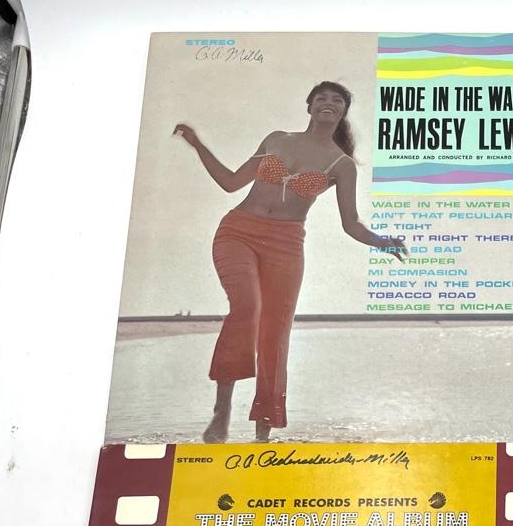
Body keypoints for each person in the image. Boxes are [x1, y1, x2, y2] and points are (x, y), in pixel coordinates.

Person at [174, 81, 407, 444]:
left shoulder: (342, 165)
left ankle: (262, 432)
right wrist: (197, 144)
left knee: (275, 334)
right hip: (239, 232)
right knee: (247, 307)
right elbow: (230, 183)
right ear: (309, 106)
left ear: (343, 111)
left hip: (286, 246)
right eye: (321, 98)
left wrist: (382, 242)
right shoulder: (277, 140)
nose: (328, 103)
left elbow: (350, 224)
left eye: (337, 100)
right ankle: (222, 411)